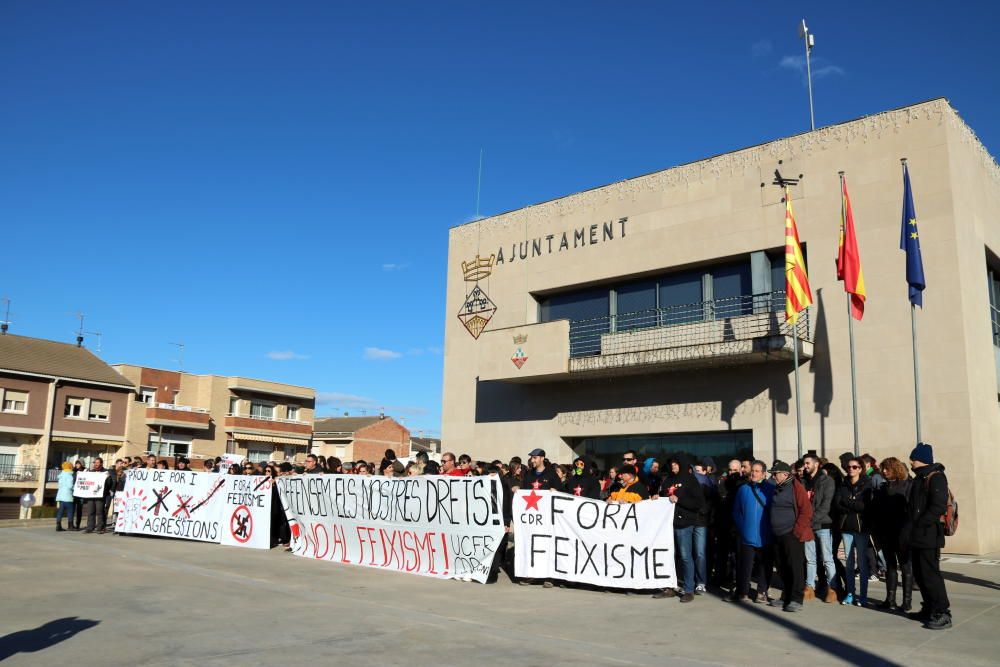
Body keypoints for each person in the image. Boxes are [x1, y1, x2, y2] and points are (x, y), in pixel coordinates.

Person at [903, 443, 952, 629]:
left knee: (931, 575)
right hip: (917, 536)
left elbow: (937, 506)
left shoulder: (936, 477)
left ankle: (943, 613)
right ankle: (929, 608)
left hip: (929, 535)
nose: (910, 461)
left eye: (913, 458)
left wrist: (919, 524)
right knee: (921, 576)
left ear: (921, 459)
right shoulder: (919, 478)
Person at [654, 454, 705, 602]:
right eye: (672, 464)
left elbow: (698, 502)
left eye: (676, 464)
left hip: (684, 524)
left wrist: (680, 500)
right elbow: (664, 498)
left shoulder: (690, 480)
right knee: (669, 556)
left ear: (682, 464)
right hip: (667, 525)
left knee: (685, 556)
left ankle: (689, 589)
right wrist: (657, 498)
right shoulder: (668, 480)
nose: (673, 466)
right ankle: (669, 587)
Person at [767, 460, 813, 612]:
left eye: (775, 474)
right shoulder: (777, 487)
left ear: (785, 474)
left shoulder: (796, 487)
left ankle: (796, 599)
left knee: (795, 567)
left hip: (791, 534)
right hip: (777, 534)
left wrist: (797, 531)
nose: (773, 476)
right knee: (782, 567)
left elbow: (806, 511)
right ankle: (786, 596)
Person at [728, 460, 774, 604]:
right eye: (752, 470)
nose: (753, 473)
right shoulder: (743, 489)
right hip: (746, 535)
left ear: (763, 473)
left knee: (764, 565)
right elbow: (736, 511)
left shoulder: (771, 489)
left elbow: (774, 511)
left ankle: (762, 592)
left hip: (765, 535)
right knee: (744, 565)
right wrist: (743, 528)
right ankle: (743, 592)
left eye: (757, 471)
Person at [873, 456, 913, 612]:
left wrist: (908, 532)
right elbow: (877, 510)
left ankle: (907, 602)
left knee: (905, 567)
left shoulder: (907, 486)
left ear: (895, 469)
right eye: (883, 469)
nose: (884, 471)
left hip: (903, 533)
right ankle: (890, 600)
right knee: (890, 567)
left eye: (887, 469)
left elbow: (910, 511)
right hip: (886, 533)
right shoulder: (882, 488)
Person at [802, 452, 838, 603]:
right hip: (808, 525)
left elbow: (825, 505)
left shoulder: (827, 481)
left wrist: (810, 520)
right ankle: (809, 587)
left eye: (808, 463)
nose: (805, 466)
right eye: (804, 464)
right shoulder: (803, 481)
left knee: (827, 558)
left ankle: (833, 588)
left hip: (822, 524)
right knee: (810, 559)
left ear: (816, 464)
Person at [836, 456, 872, 607]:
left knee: (862, 564)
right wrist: (852, 504)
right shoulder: (843, 484)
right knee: (849, 563)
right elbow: (838, 504)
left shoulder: (867, 484)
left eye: (855, 467)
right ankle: (851, 593)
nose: (851, 469)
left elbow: (864, 506)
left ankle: (863, 596)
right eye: (849, 467)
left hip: (861, 528)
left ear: (861, 468)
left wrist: (848, 502)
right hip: (846, 528)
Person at [82, 457, 110, 534]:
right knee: (90, 512)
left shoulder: (105, 472)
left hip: (100, 496)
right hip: (91, 495)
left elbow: (109, 484)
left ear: (101, 463)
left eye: (97, 463)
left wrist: (108, 478)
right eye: (95, 463)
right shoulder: (91, 472)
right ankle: (90, 527)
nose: (96, 464)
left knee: (100, 512)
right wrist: (81, 475)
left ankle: (100, 528)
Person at [55, 461, 75, 531]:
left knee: (60, 511)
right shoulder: (69, 475)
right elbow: (70, 486)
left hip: (61, 495)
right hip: (68, 495)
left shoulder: (61, 475)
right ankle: (70, 526)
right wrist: (75, 488)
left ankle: (58, 525)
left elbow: (59, 485)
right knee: (70, 511)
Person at [71, 459, 85, 529]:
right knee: (72, 509)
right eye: (76, 463)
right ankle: (71, 524)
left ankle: (77, 524)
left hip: (81, 493)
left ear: (82, 464)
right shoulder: (73, 471)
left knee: (79, 509)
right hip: (74, 493)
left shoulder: (85, 471)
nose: (77, 465)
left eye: (78, 464)